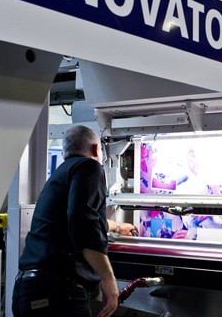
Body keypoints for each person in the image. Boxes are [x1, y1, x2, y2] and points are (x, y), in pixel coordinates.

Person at [12, 125, 138, 317]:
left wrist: (119, 227)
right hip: (58, 293)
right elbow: (82, 224)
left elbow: (83, 218)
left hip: (28, 290)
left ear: (64, 152)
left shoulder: (61, 174)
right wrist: (108, 279)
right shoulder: (90, 167)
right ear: (96, 149)